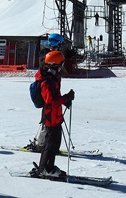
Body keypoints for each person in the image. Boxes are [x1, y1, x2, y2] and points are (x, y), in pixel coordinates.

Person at [33, 50, 74, 179]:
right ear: (55, 65)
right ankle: (46, 169)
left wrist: (65, 101)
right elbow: (51, 101)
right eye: (60, 65)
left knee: (54, 144)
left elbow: (55, 99)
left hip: (55, 116)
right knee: (50, 145)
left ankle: (47, 167)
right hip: (51, 117)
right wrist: (65, 98)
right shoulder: (46, 82)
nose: (62, 67)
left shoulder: (52, 78)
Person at [26, 33, 65, 152]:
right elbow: (46, 71)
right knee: (47, 119)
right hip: (47, 90)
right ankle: (41, 144)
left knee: (49, 118)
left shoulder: (49, 53)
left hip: (52, 88)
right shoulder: (47, 55)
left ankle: (43, 143)